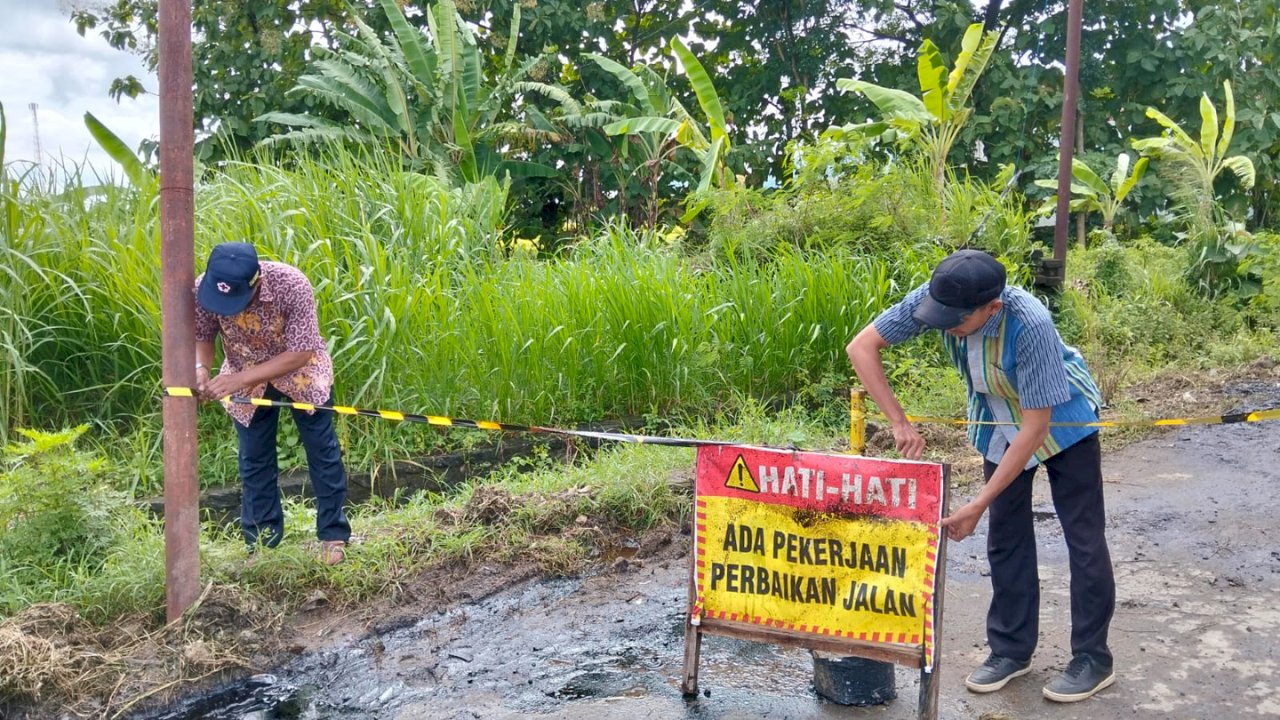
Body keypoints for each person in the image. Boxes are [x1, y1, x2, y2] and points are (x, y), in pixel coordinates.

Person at [846, 249, 1116, 703]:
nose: (945, 324)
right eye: (940, 315)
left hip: (1060, 421)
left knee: (1083, 539)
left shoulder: (1029, 325)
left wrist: (977, 502)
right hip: (996, 421)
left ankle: (1093, 658)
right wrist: (898, 421)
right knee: (1005, 536)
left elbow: (1036, 427)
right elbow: (861, 346)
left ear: (992, 308)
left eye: (957, 319)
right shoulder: (943, 300)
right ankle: (1011, 651)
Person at [193, 242, 351, 565]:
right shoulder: (203, 289)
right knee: (254, 459)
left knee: (322, 451)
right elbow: (203, 336)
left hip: (301, 373)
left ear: (257, 284)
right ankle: (262, 544)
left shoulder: (292, 285)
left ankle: (333, 535)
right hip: (243, 372)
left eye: (236, 302)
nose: (228, 309)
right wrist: (201, 369)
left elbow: (301, 352)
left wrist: (238, 380)